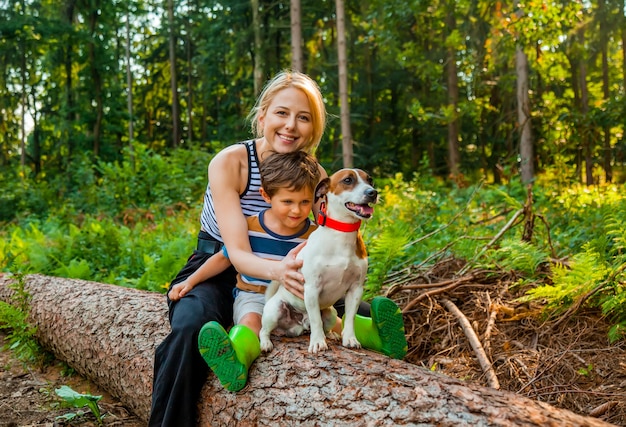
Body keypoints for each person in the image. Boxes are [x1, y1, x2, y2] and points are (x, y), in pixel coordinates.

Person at [148, 70, 406, 427]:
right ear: (262, 116)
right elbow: (234, 251)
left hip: (291, 274)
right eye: (282, 113)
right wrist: (278, 273)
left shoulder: (316, 174)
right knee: (191, 325)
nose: (291, 126)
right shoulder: (231, 163)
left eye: (303, 118)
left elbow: (327, 236)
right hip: (222, 265)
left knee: (355, 308)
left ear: (313, 129)